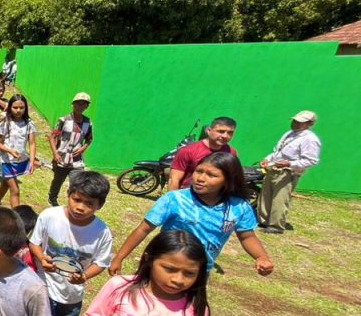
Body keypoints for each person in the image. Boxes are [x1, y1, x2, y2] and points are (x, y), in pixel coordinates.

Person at [109, 152, 274, 276]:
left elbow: (247, 236)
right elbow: (143, 229)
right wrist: (119, 257)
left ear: (228, 180)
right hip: (161, 265)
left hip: (197, 271)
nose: (201, 178)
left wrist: (261, 257)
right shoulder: (175, 199)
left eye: (211, 175)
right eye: (199, 171)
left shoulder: (239, 207)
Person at [29, 171, 114, 316]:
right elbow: (34, 243)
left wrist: (84, 276)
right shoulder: (49, 216)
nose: (80, 207)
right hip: (44, 285)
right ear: (68, 195)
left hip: (72, 293)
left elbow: (102, 262)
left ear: (100, 205)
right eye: (76, 199)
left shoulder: (102, 232)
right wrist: (41, 258)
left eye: (89, 203)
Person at [257, 110, 322, 234]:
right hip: (274, 168)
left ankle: (276, 226)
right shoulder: (290, 134)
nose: (296, 124)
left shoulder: (310, 139)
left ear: (309, 124)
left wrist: (290, 164)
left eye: (300, 122)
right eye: (295, 121)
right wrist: (267, 158)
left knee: (280, 199)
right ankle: (264, 221)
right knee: (266, 195)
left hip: (288, 172)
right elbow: (278, 152)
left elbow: (311, 160)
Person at [46, 92, 94, 206]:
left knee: (78, 183)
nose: (80, 106)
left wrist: (83, 148)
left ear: (87, 106)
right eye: (78, 104)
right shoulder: (64, 120)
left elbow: (89, 139)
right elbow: (53, 137)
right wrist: (55, 154)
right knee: (58, 181)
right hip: (62, 158)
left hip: (77, 160)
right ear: (73, 105)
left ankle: (72, 203)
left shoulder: (88, 122)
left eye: (83, 104)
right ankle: (52, 197)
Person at [168, 116, 237, 191]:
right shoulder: (188, 151)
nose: (225, 136)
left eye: (230, 133)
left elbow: (230, 179)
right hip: (188, 198)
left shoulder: (231, 152)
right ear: (209, 131)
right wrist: (174, 201)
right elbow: (174, 180)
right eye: (221, 131)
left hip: (215, 199)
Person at [0, 94, 37, 208]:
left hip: (20, 161)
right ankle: (17, 217)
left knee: (5, 184)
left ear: (26, 108)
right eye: (15, 107)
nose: (18, 110)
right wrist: (9, 150)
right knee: (15, 190)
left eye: (21, 107)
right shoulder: (5, 123)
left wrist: (32, 161)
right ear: (10, 108)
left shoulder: (29, 124)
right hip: (6, 161)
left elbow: (32, 143)